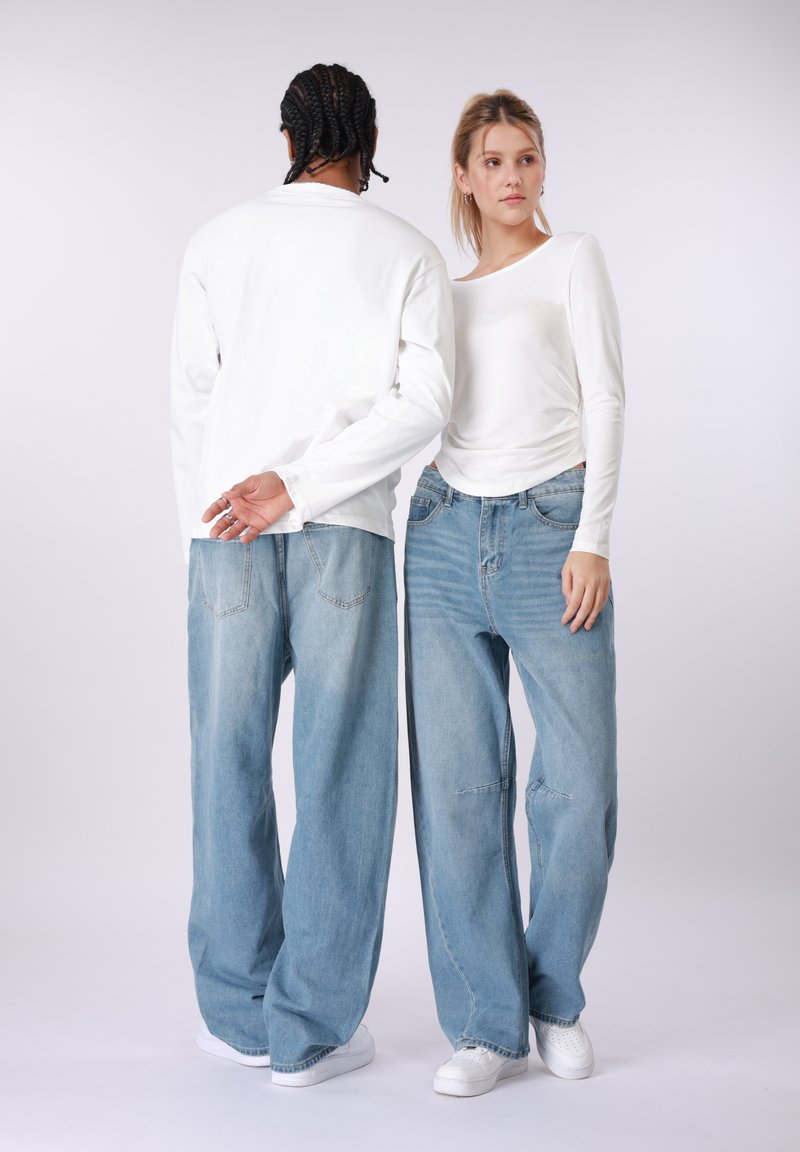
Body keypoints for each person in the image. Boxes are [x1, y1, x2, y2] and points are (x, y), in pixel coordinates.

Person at [170, 62, 453, 1087]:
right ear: (369, 143)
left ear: (287, 139)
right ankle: (311, 1031)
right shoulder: (406, 250)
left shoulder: (217, 239)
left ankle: (237, 1015)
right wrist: (300, 486)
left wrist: (218, 520)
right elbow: (425, 402)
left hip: (225, 533)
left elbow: (192, 402)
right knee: (341, 772)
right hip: (345, 531)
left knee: (226, 764)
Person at [404, 89, 624, 1097]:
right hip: (444, 534)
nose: (510, 176)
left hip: (549, 531)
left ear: (541, 169)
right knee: (459, 789)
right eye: (491, 160)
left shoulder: (571, 258)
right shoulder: (440, 293)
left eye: (525, 157)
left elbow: (605, 394)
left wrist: (592, 537)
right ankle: (485, 1024)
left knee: (576, 786)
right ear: (462, 175)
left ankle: (555, 998)